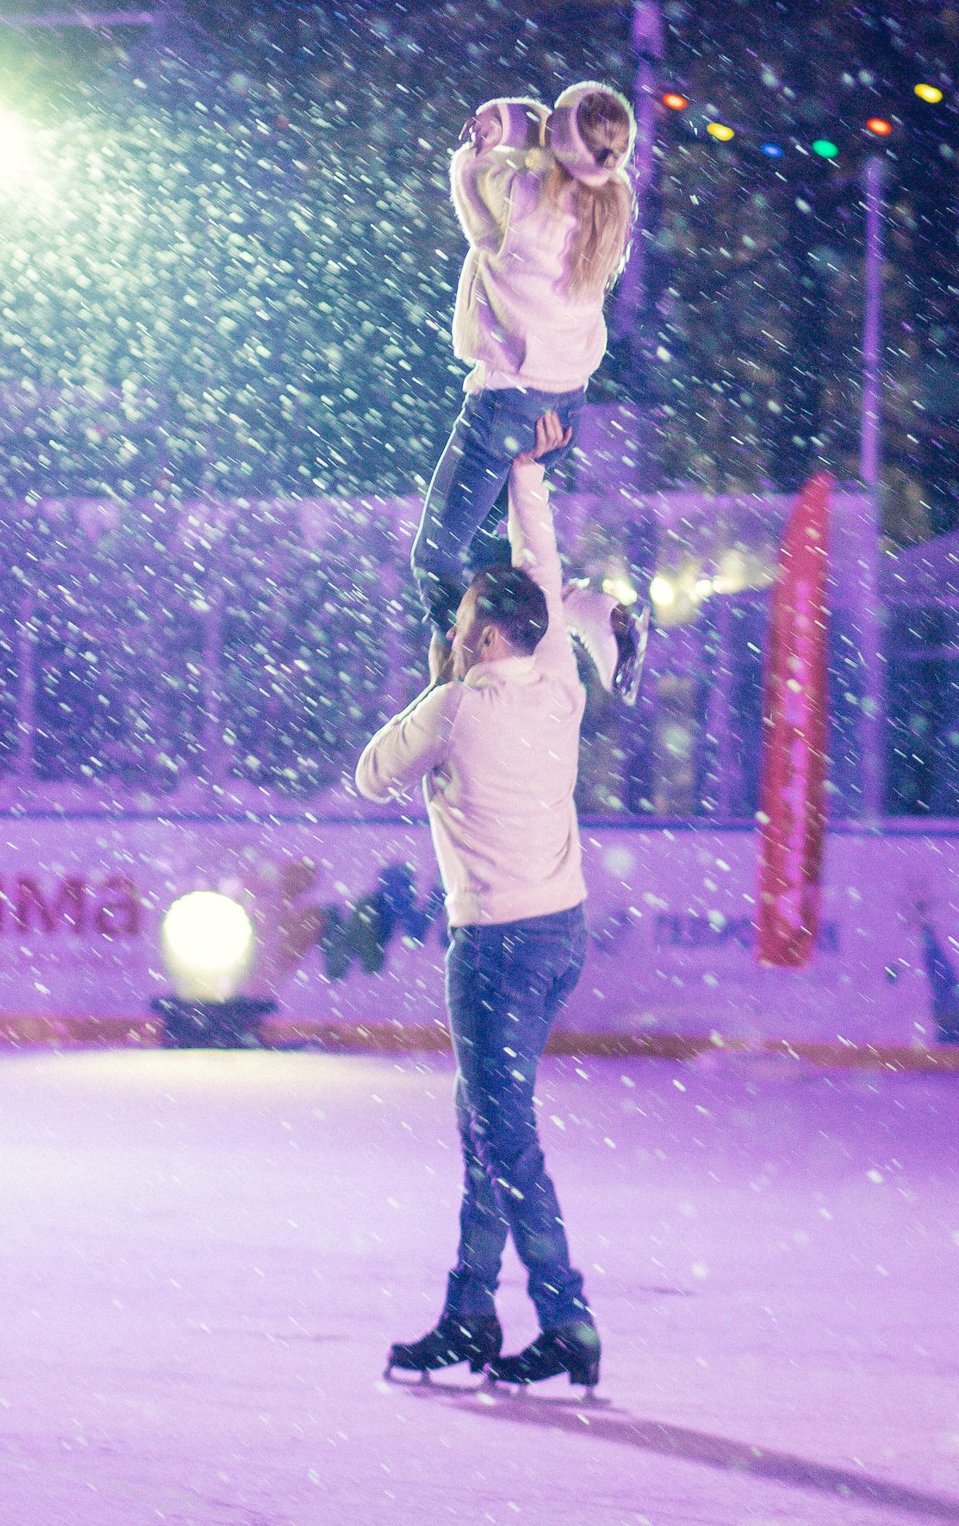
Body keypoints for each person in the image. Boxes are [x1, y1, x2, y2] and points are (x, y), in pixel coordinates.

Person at [359, 411, 602, 1392]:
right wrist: (528, 471)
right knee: (484, 1119)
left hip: (495, 948)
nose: (451, 633)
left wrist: (433, 690)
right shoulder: (556, 681)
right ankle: (468, 1308)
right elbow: (540, 571)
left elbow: (369, 772)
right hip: (561, 934)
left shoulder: (457, 704)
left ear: (485, 633)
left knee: (502, 1132)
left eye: (460, 625)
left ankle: (566, 1316)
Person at [411, 82, 644, 704]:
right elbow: (558, 144)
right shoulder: (616, 203)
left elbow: (472, 201)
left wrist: (482, 143)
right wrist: (525, 127)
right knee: (510, 564)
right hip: (563, 405)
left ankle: (455, 681)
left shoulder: (526, 202)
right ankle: (595, 616)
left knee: (437, 557)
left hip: (507, 403)